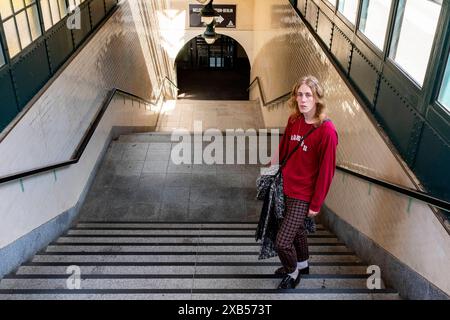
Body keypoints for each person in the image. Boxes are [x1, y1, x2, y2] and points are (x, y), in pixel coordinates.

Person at [275, 75, 338, 289]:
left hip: (304, 195)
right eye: (300, 94)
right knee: (298, 230)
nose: (303, 99)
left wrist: (316, 204)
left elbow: (326, 171)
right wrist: (272, 174)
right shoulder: (294, 120)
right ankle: (302, 264)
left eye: (308, 95)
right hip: (287, 188)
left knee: (282, 242)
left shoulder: (327, 131)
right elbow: (283, 150)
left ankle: (293, 273)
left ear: (317, 98)